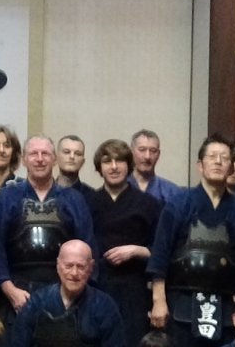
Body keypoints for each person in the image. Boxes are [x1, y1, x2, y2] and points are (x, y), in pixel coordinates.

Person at [148, 135, 235, 347]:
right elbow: (160, 254)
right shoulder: (179, 204)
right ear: (199, 165)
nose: (218, 162)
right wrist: (159, 301)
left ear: (232, 168)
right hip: (182, 302)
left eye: (225, 158)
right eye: (212, 157)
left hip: (225, 306)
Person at [0, 136, 97, 313]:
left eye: (45, 154)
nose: (40, 159)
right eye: (34, 154)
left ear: (54, 159)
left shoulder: (73, 200)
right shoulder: (7, 197)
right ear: (24, 159)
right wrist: (9, 290)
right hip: (16, 290)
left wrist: (73, 293)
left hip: (64, 289)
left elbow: (87, 247)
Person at [86, 138, 161, 335]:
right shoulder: (88, 203)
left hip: (135, 288)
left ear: (129, 165)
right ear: (99, 167)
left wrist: (136, 251)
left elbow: (163, 251)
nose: (114, 167)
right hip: (98, 285)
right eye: (107, 161)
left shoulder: (149, 204)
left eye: (119, 160)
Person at [129, 129, 183, 203]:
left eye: (153, 151)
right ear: (131, 151)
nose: (147, 156)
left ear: (158, 154)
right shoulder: (119, 187)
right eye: (142, 150)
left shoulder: (172, 192)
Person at [56, 134, 99, 206]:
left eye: (78, 154)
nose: (72, 156)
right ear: (56, 157)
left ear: (83, 162)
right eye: (66, 152)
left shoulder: (93, 198)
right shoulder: (44, 194)